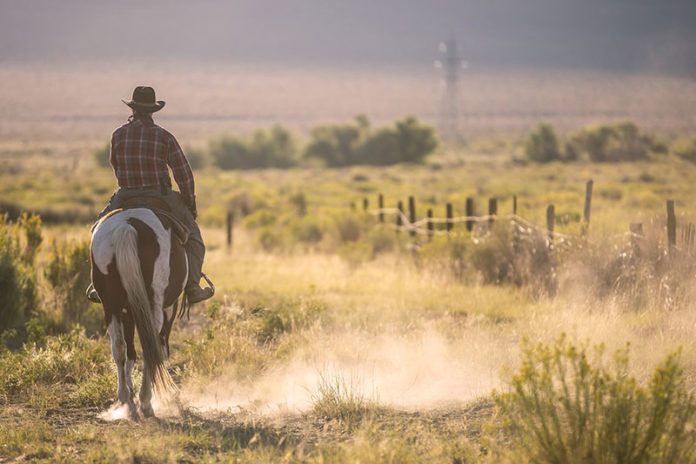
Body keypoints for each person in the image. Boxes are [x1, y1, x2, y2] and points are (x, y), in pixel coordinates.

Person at [87, 86, 213, 304]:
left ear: (133, 108)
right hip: (160, 195)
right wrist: (189, 203)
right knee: (194, 238)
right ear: (153, 110)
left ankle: (101, 283)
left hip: (125, 195)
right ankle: (192, 286)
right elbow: (183, 174)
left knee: (97, 230)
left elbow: (115, 166)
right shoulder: (164, 137)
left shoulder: (117, 135)